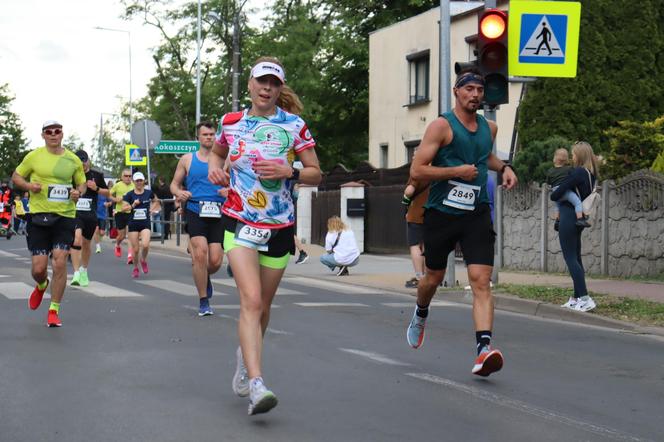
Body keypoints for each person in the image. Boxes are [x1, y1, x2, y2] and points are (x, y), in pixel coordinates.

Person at [208, 57, 321, 415]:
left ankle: (245, 359)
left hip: (279, 226)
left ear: (279, 88)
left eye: (273, 83)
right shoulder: (232, 122)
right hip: (239, 220)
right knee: (251, 301)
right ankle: (257, 384)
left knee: (265, 307)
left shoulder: (295, 126)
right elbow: (217, 152)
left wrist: (292, 170)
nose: (266, 88)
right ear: (251, 85)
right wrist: (214, 170)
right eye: (261, 81)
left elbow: (317, 173)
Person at [405, 68, 518, 377]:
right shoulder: (442, 126)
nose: (475, 95)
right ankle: (421, 311)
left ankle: (484, 349)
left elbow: (485, 158)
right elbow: (417, 170)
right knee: (433, 277)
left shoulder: (489, 128)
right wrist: (455, 172)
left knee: (481, 279)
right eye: (468, 89)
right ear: (456, 92)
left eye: (479, 90)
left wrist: (504, 167)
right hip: (442, 213)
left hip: (476, 212)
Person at [11, 120, 86, 327]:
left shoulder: (72, 159)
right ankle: (42, 284)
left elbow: (80, 182)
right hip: (38, 216)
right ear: (43, 135)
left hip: (65, 216)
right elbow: (16, 177)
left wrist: (78, 192)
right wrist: (28, 185)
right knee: (38, 268)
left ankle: (54, 310)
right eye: (49, 131)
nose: (53, 134)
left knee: (60, 261)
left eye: (57, 131)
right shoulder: (34, 156)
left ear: (62, 134)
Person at [170, 121, 226, 317]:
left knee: (216, 260)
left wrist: (228, 190)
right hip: (195, 210)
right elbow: (174, 185)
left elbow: (235, 182)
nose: (209, 137)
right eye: (205, 135)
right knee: (200, 254)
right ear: (198, 138)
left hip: (219, 212)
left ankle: (205, 275)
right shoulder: (187, 159)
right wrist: (180, 193)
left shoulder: (224, 159)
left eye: (212, 134)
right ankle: (204, 301)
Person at [550, 141, 599, 312]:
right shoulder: (591, 174)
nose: (572, 157)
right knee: (576, 257)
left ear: (580, 155)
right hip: (578, 219)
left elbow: (555, 194)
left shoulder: (577, 172)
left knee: (570, 258)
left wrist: (555, 191)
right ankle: (577, 298)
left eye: (573, 154)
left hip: (568, 217)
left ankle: (585, 298)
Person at [69, 150, 109, 287]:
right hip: (75, 214)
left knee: (86, 244)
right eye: (79, 160)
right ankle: (75, 273)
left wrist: (96, 188)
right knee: (76, 239)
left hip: (91, 215)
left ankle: (84, 270)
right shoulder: (71, 176)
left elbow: (108, 192)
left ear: (88, 160)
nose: (82, 163)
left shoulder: (96, 175)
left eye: (84, 160)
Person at [121, 172, 160, 278]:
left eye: (140, 180)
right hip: (133, 223)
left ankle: (143, 260)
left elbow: (156, 201)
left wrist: (152, 209)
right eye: (137, 181)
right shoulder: (129, 195)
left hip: (145, 223)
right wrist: (133, 205)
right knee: (136, 249)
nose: (139, 183)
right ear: (133, 182)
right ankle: (136, 268)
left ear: (144, 182)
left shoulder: (149, 193)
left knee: (146, 245)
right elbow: (123, 209)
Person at [546, 148, 589, 230]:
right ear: (566, 160)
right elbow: (573, 179)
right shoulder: (569, 169)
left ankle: (557, 222)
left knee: (557, 207)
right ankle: (580, 219)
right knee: (577, 202)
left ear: (555, 158)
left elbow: (548, 182)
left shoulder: (550, 171)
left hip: (555, 192)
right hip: (565, 191)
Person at [402, 178, 429, 288]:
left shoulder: (419, 171)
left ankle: (420, 277)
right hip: (434, 213)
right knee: (429, 244)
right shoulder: (441, 168)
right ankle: (430, 276)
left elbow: (409, 191)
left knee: (415, 245)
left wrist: (405, 199)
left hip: (417, 213)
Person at [109, 169, 135, 264]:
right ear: (122, 177)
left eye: (130, 176)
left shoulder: (133, 185)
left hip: (130, 212)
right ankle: (117, 245)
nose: (128, 178)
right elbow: (109, 194)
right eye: (126, 176)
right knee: (122, 235)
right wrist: (116, 199)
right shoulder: (118, 185)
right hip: (119, 212)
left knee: (130, 235)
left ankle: (130, 256)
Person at [291, 184, 308, 264]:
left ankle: (302, 252)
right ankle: (302, 252)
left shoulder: (291, 182)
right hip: (285, 212)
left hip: (284, 213)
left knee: (290, 234)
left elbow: (294, 198)